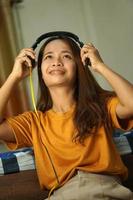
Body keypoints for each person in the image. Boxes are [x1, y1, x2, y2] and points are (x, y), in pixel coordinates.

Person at [0, 34, 133, 200]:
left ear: (79, 67)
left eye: (67, 56)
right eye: (49, 57)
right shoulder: (33, 122)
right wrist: (14, 76)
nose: (56, 62)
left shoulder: (101, 106)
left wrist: (99, 66)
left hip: (103, 191)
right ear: (39, 70)